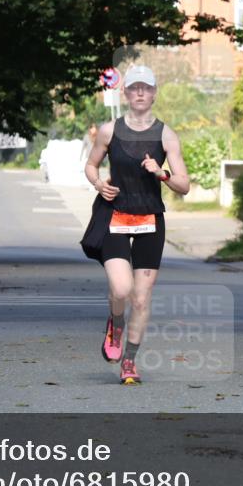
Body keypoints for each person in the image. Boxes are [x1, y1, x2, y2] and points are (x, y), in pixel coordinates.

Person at [83, 66, 190, 384]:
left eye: (146, 88)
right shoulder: (109, 130)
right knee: (121, 288)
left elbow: (184, 185)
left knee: (141, 298)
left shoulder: (166, 135)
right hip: (116, 217)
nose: (140, 93)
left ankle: (129, 361)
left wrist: (162, 173)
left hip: (150, 220)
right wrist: (100, 184)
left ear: (155, 93)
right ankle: (116, 324)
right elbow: (91, 165)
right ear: (125, 93)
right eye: (134, 88)